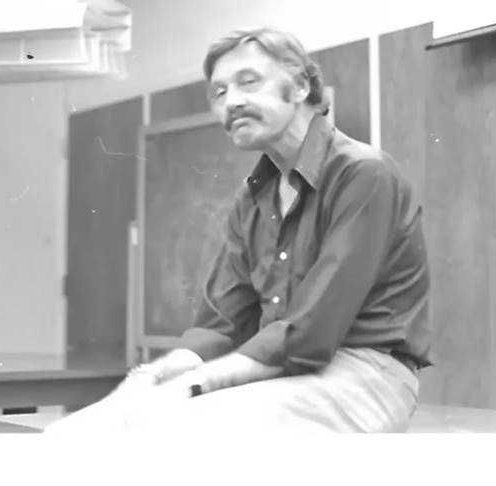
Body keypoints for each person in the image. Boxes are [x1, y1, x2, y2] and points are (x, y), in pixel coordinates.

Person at [45, 27, 434, 434]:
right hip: (282, 374)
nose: (231, 101)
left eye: (248, 82)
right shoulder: (253, 199)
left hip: (366, 375)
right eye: (219, 92)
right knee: (75, 431)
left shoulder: (364, 174)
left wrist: (191, 386)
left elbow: (311, 332)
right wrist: (144, 380)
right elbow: (219, 325)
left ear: (300, 86)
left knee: (168, 424)